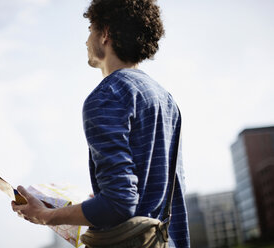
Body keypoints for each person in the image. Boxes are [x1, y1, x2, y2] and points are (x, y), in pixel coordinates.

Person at [12, 0, 190, 247]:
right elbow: (161, 194)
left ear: (105, 33)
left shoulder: (107, 96)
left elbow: (119, 203)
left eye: (90, 30)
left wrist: (45, 216)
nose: (86, 40)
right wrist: (97, 202)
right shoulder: (166, 99)